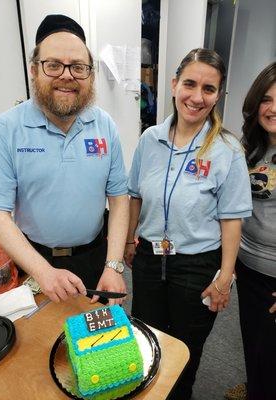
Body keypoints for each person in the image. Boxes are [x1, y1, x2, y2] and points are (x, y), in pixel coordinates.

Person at [124, 48, 253, 400]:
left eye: (208, 89)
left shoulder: (227, 150)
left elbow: (231, 219)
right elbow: (134, 194)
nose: (197, 97)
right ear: (174, 84)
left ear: (218, 95)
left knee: (184, 352)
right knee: (147, 340)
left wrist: (225, 276)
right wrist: (125, 241)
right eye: (190, 84)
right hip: (149, 261)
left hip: (197, 266)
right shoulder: (149, 140)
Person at [0, 14, 129, 305]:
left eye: (78, 67)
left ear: (90, 75)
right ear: (34, 71)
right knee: (38, 344)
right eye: (53, 65)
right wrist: (43, 271)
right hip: (33, 261)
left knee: (94, 345)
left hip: (94, 259)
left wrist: (113, 265)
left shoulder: (105, 126)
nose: (67, 75)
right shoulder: (7, 129)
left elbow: (119, 198)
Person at [228, 62, 276, 400]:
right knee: (254, 343)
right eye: (267, 99)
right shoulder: (249, 147)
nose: (273, 109)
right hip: (248, 268)